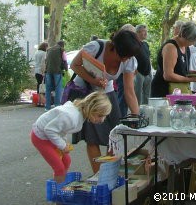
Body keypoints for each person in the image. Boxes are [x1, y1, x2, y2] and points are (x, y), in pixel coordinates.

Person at [70, 29, 141, 173]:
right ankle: (99, 177)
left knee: (115, 134)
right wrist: (94, 80)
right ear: (114, 47)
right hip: (86, 93)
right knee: (92, 138)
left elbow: (129, 90)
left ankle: (108, 173)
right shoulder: (96, 47)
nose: (124, 60)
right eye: (122, 56)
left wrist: (137, 116)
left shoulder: (129, 60)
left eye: (128, 57)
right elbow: (74, 65)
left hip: (107, 93)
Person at [31, 91, 112, 183]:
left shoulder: (79, 113)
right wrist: (63, 145)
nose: (102, 120)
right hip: (40, 137)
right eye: (100, 115)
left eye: (104, 116)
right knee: (59, 167)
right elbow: (49, 130)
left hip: (50, 135)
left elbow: (61, 129)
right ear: (91, 108)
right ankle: (58, 190)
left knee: (67, 161)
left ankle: (61, 183)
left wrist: (63, 143)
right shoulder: (71, 117)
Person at [151, 21, 196, 97]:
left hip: (178, 90)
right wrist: (191, 79)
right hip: (164, 91)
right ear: (182, 35)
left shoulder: (186, 47)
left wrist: (195, 73)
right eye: (191, 40)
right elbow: (168, 75)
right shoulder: (170, 47)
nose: (193, 43)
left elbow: (179, 70)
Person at [45, 40, 67, 111]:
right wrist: (66, 70)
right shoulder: (61, 50)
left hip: (48, 71)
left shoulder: (49, 50)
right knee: (58, 89)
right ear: (63, 45)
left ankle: (47, 107)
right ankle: (57, 105)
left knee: (48, 89)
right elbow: (65, 60)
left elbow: (46, 60)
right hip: (57, 71)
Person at [134, 24, 152, 105]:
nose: (146, 33)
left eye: (146, 31)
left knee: (147, 95)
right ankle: (138, 113)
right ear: (137, 32)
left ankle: (146, 112)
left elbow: (148, 58)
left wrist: (150, 71)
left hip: (147, 73)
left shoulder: (145, 44)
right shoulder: (134, 44)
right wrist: (136, 71)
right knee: (138, 95)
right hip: (139, 73)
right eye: (144, 31)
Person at [34, 41, 48, 105]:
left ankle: (38, 101)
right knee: (42, 86)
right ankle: (42, 101)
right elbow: (43, 63)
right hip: (41, 71)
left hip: (36, 70)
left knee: (38, 85)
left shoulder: (36, 52)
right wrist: (44, 71)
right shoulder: (44, 53)